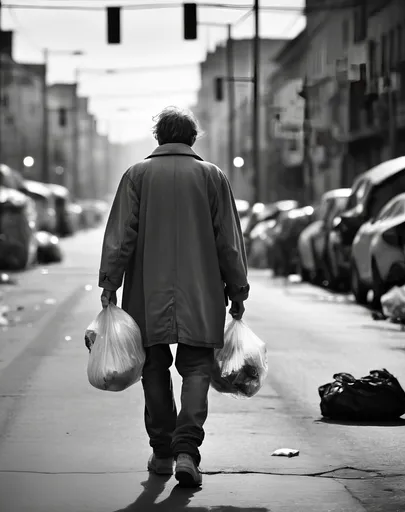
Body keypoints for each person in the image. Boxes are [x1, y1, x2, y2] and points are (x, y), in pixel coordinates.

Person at [98, 106, 249, 488]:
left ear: (159, 138)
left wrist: (110, 282)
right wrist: (238, 290)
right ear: (192, 138)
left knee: (152, 365)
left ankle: (162, 450)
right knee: (197, 367)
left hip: (147, 292)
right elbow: (228, 242)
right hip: (203, 292)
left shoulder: (137, 175)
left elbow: (121, 236)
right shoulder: (212, 176)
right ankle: (187, 451)